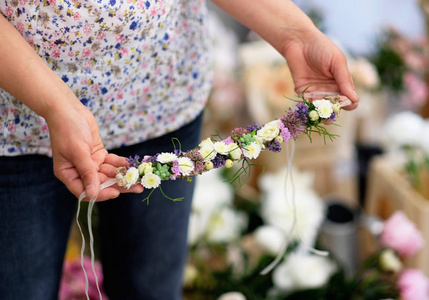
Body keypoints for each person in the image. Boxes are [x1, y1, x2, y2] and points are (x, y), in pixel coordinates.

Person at [0, 0, 358, 299]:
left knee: (152, 285)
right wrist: (56, 106)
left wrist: (295, 34)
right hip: (18, 128)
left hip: (162, 96)